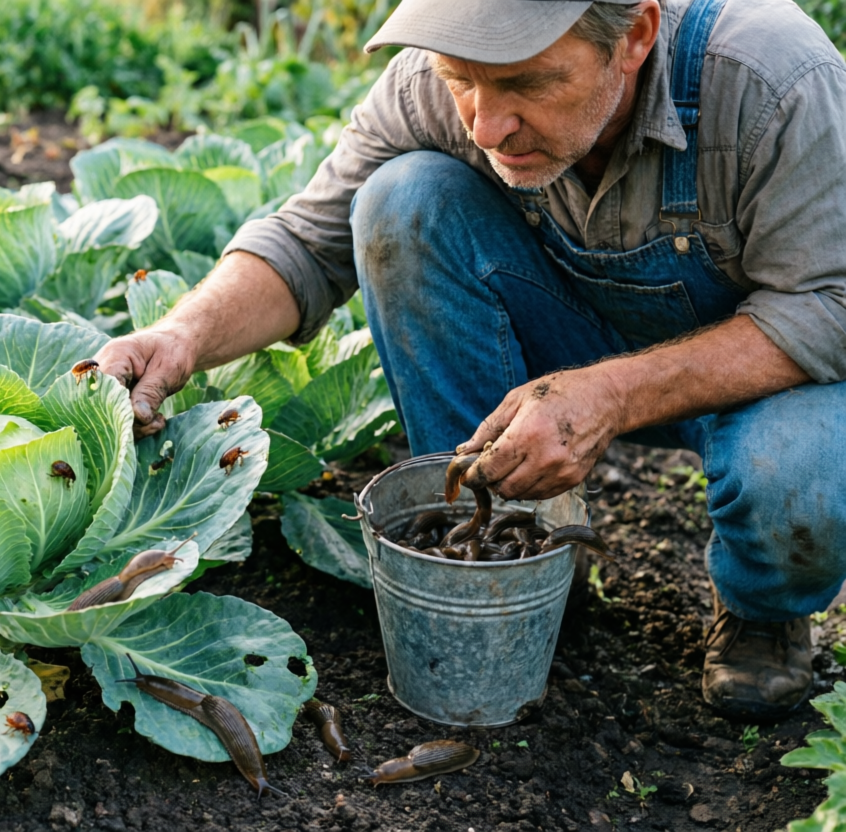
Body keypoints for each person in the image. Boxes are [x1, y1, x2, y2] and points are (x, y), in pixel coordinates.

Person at [95, 0, 846, 719]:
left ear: (634, 37)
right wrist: (183, 335)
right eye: (462, 80)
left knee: (800, 476)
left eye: (528, 82)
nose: (487, 124)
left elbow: (831, 304)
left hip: (765, 376)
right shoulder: (435, 79)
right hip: (569, 345)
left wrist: (613, 393)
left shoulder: (771, 81)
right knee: (401, 201)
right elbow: (307, 242)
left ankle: (761, 609)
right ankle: (508, 544)